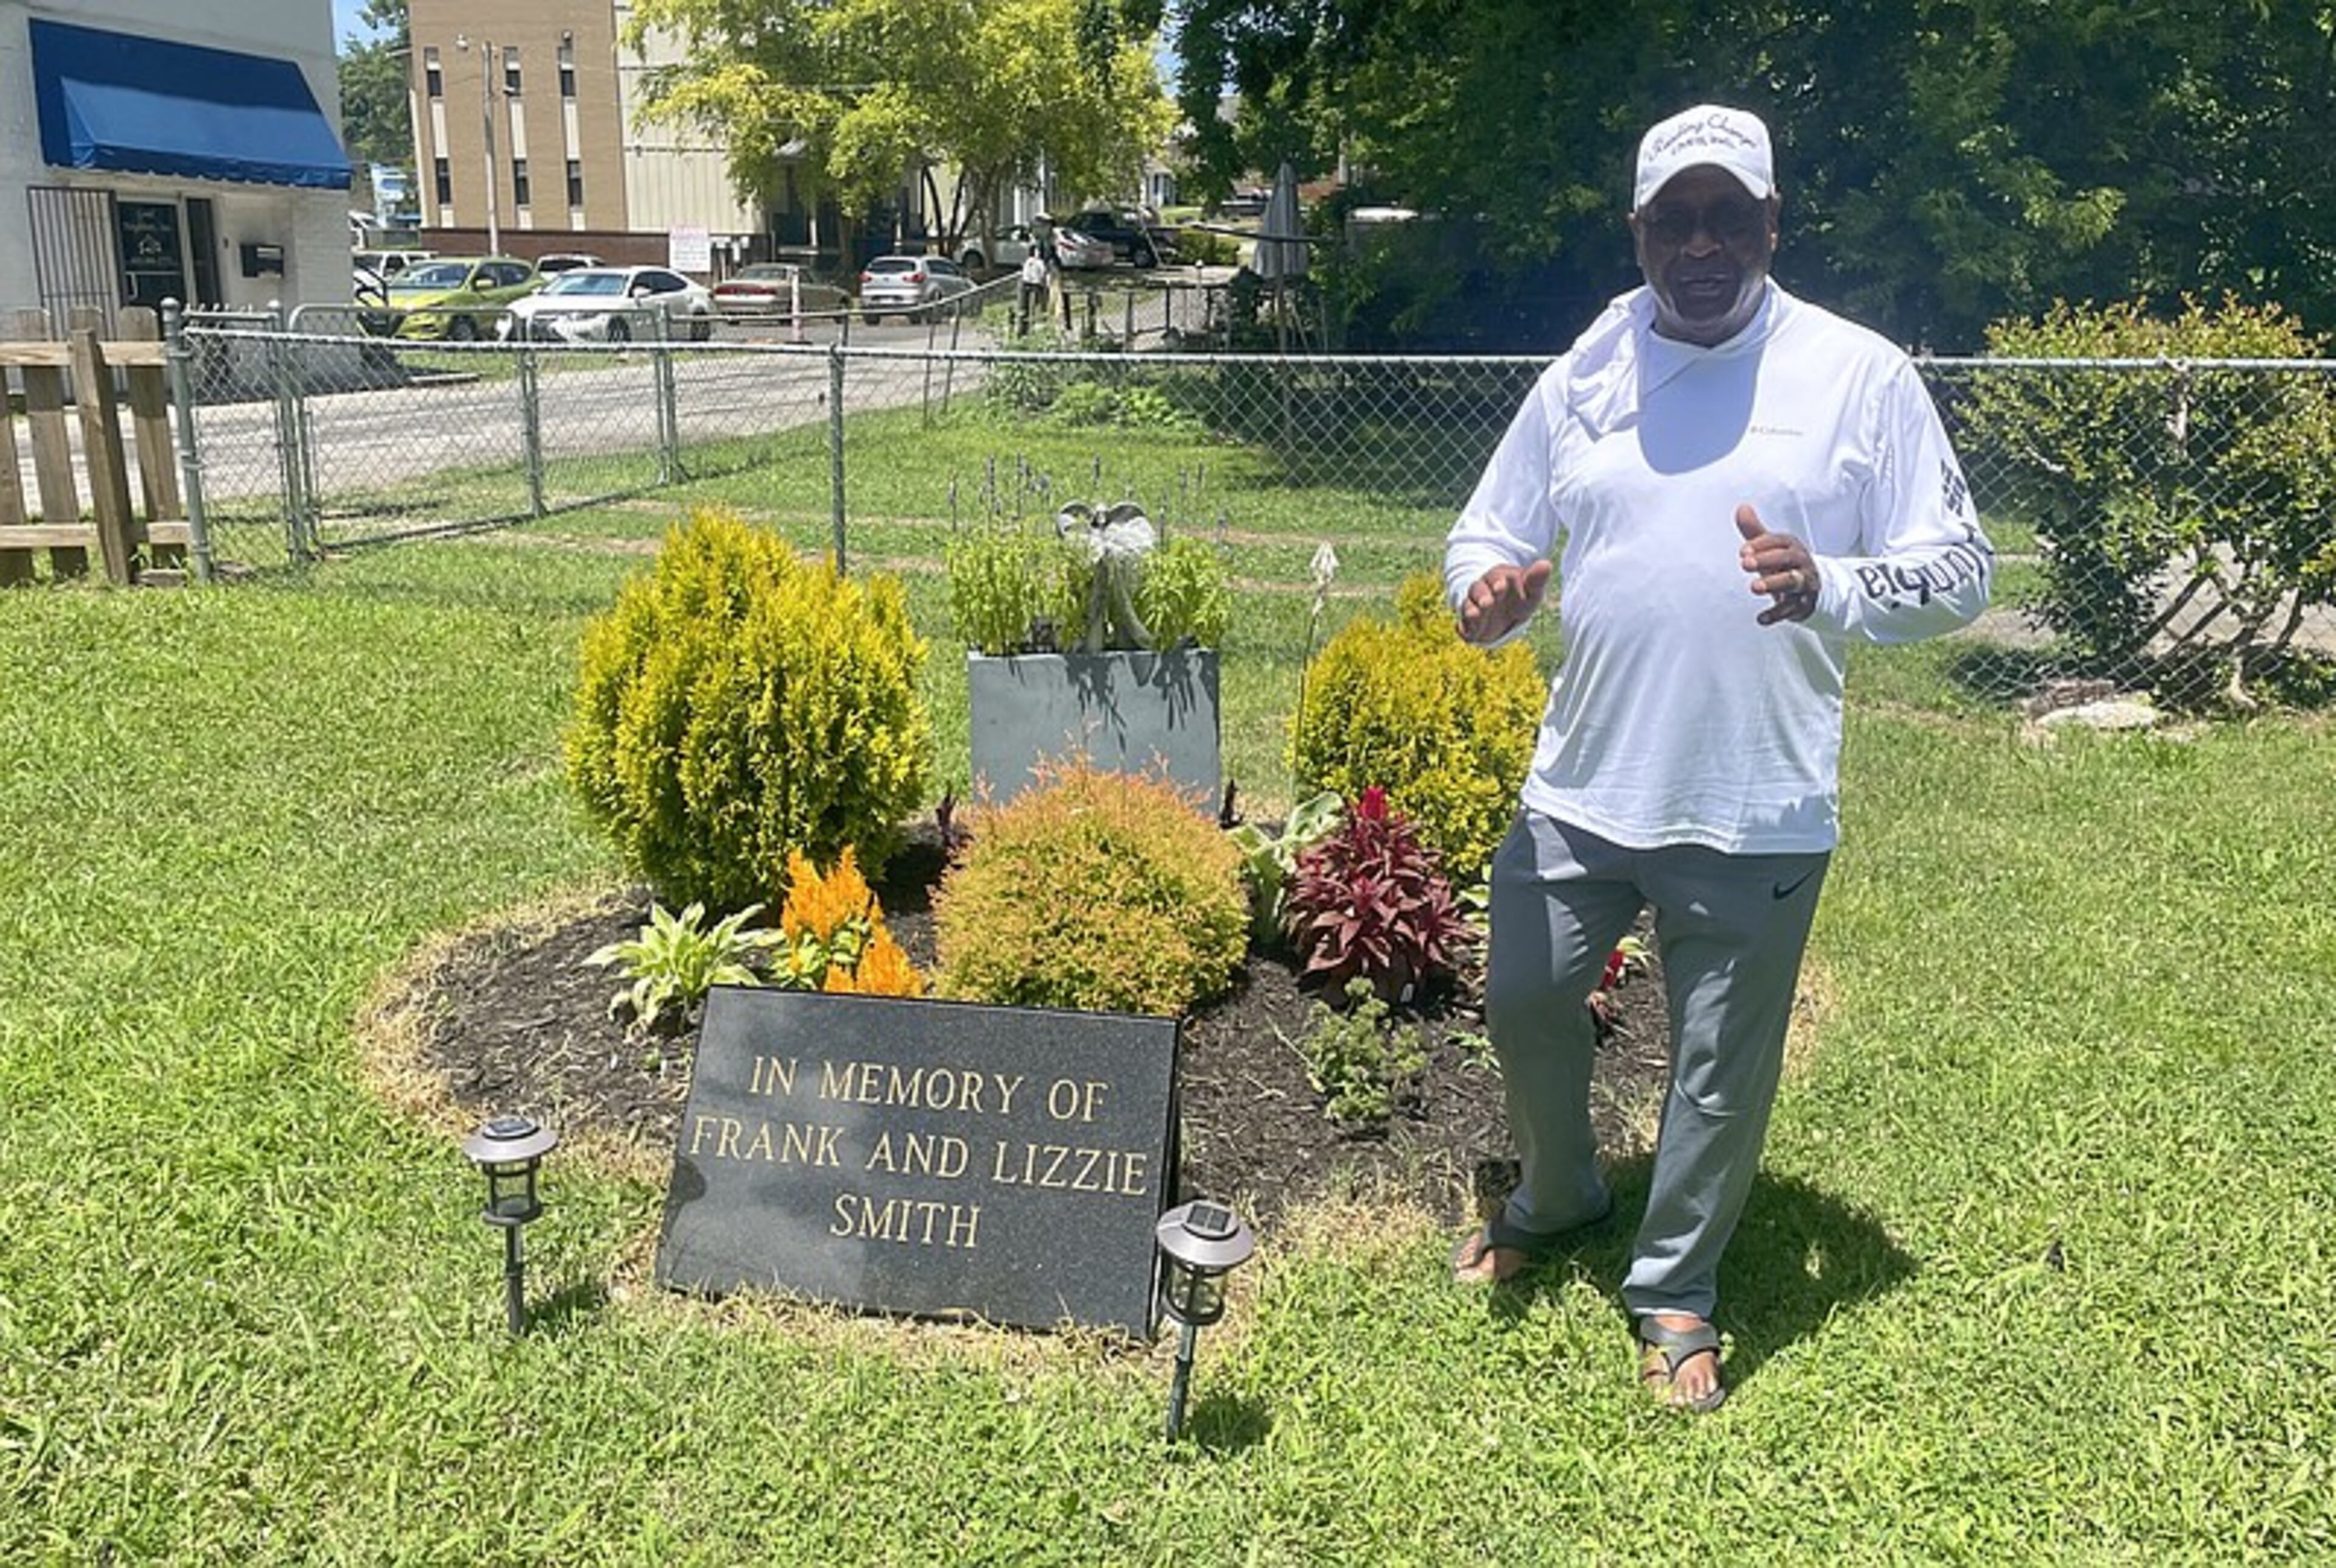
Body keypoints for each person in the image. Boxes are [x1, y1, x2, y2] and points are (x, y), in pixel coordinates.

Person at [1442, 103, 1992, 1412]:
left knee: (1715, 1064)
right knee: (1526, 995)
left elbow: (1966, 568)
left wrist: (1834, 581)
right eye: (1675, 218)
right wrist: (1489, 592)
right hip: (1583, 782)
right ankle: (1562, 1186)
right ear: (1638, 232)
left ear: (1771, 226)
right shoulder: (1588, 366)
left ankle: (1675, 1284)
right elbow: (1487, 528)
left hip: (1758, 798)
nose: (1702, 243)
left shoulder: (1858, 375)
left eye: (1728, 216)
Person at [1018, 246, 1050, 336]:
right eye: (1037, 251)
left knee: (1027, 307)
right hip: (1035, 285)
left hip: (1028, 284)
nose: (1038, 253)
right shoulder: (1038, 262)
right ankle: (1032, 325)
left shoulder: (1028, 262)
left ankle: (1024, 329)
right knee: (1037, 306)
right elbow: (1043, 273)